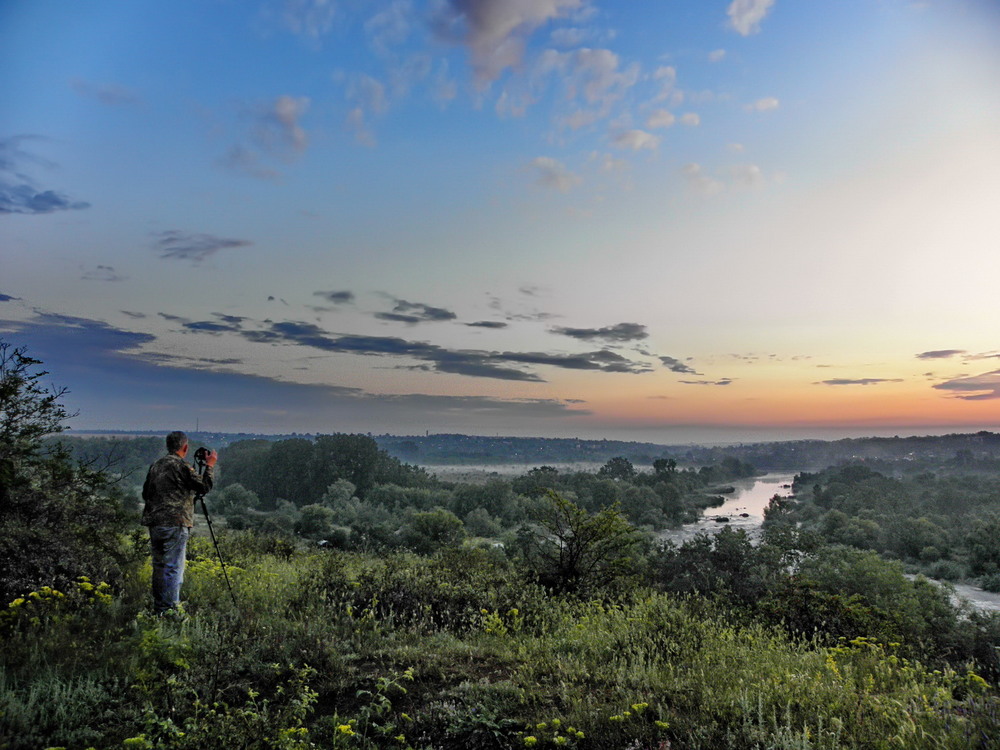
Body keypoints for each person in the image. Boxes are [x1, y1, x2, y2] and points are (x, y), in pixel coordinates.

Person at [141, 430, 217, 616]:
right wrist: (210, 465)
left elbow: (145, 493)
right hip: (175, 522)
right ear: (185, 447)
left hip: (155, 522)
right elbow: (203, 486)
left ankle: (159, 608)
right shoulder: (182, 466)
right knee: (173, 567)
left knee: (160, 566)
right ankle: (169, 611)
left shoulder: (156, 465)